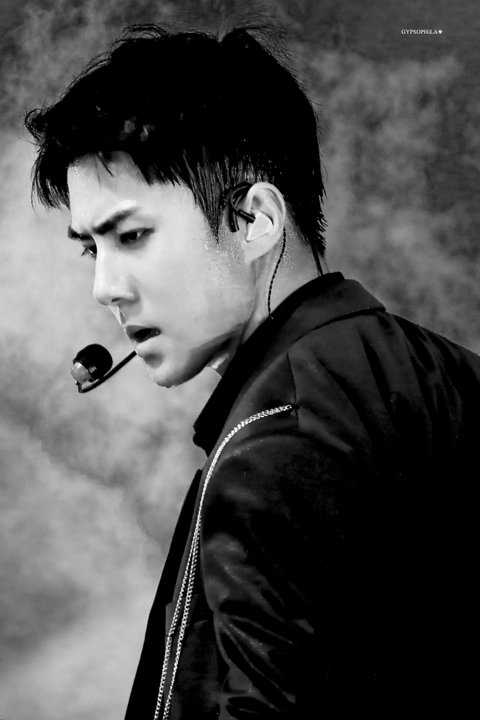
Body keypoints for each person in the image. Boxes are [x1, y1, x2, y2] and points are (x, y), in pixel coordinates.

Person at [25, 24, 478, 720]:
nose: (105, 288)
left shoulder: (275, 440)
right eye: (93, 248)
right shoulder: (445, 374)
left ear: (254, 220)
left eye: (132, 235)